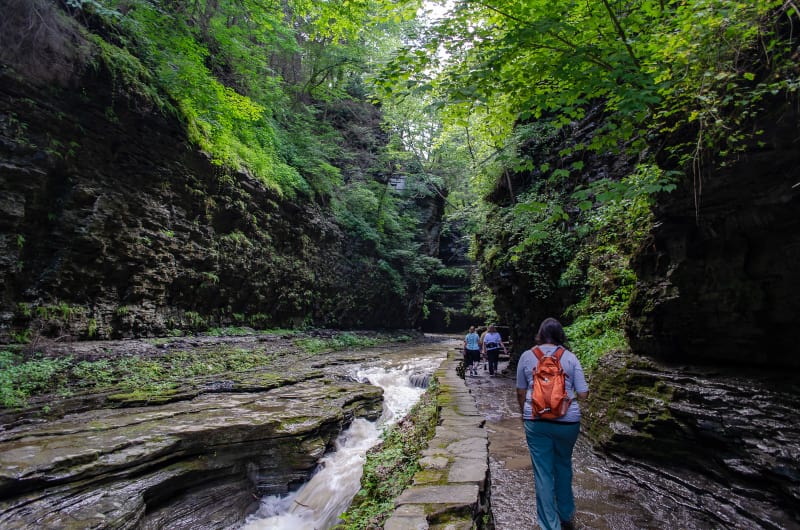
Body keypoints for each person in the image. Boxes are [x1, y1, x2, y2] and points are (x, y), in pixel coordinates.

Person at [516, 317, 588, 530]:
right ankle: (566, 514)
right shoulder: (571, 358)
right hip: (568, 422)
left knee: (543, 472)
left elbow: (520, 391)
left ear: (540, 333)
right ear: (560, 335)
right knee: (563, 465)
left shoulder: (527, 356)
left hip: (536, 420)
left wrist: (524, 414)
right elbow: (583, 394)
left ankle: (550, 525)